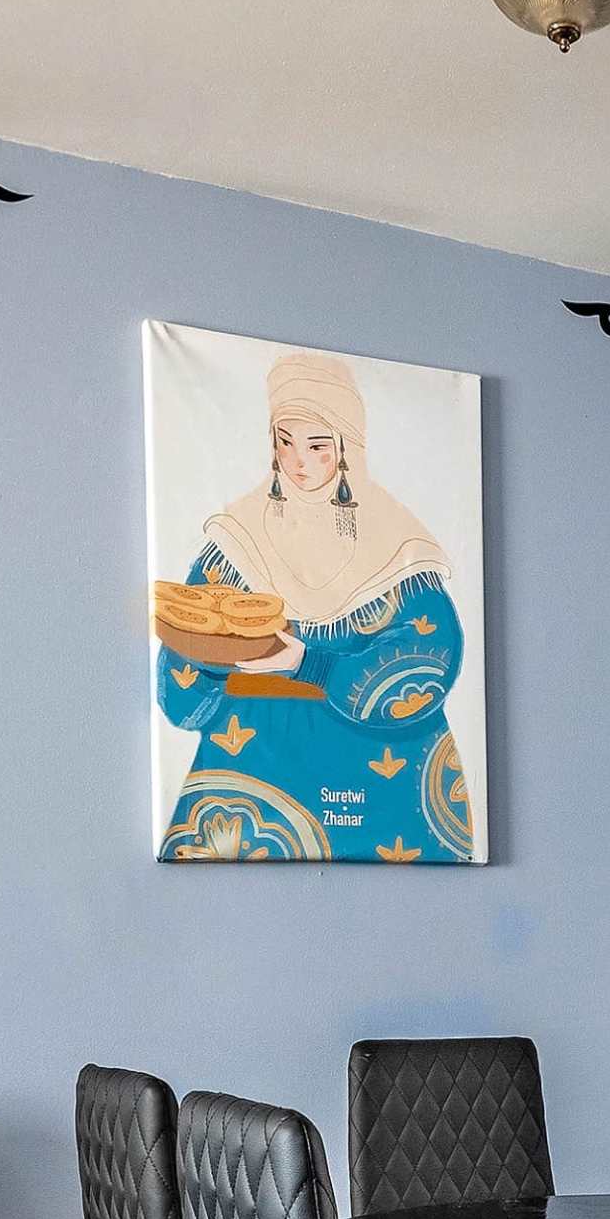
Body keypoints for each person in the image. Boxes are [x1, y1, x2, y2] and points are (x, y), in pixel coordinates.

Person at [154, 350, 476, 862]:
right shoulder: (237, 540)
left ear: (347, 448)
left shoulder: (397, 548)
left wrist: (309, 664)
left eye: (317, 446)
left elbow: (428, 661)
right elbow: (182, 681)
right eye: (285, 442)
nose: (299, 462)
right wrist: (211, 655)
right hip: (251, 756)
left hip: (374, 764)